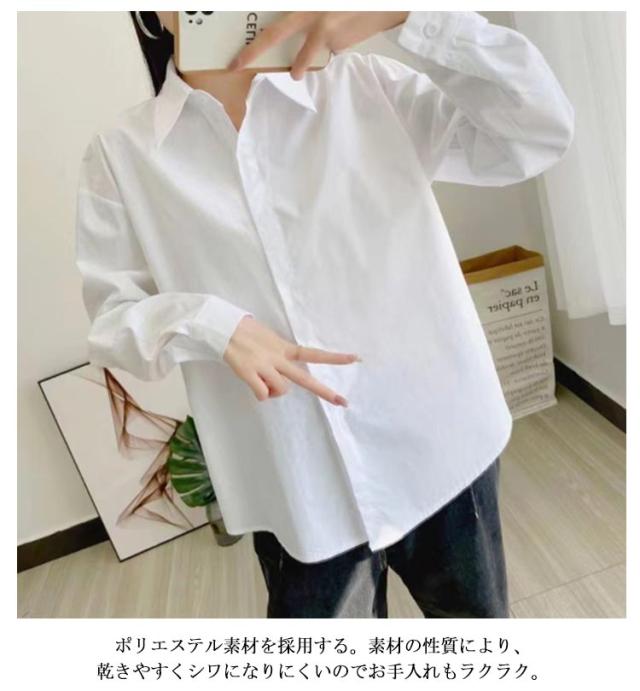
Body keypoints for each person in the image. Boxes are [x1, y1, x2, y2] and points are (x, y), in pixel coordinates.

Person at [74, 11, 574, 618]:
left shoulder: (367, 87)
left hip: (439, 443)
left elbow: (537, 131)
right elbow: (112, 319)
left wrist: (405, 14)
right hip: (296, 484)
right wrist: (211, 325)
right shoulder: (123, 155)